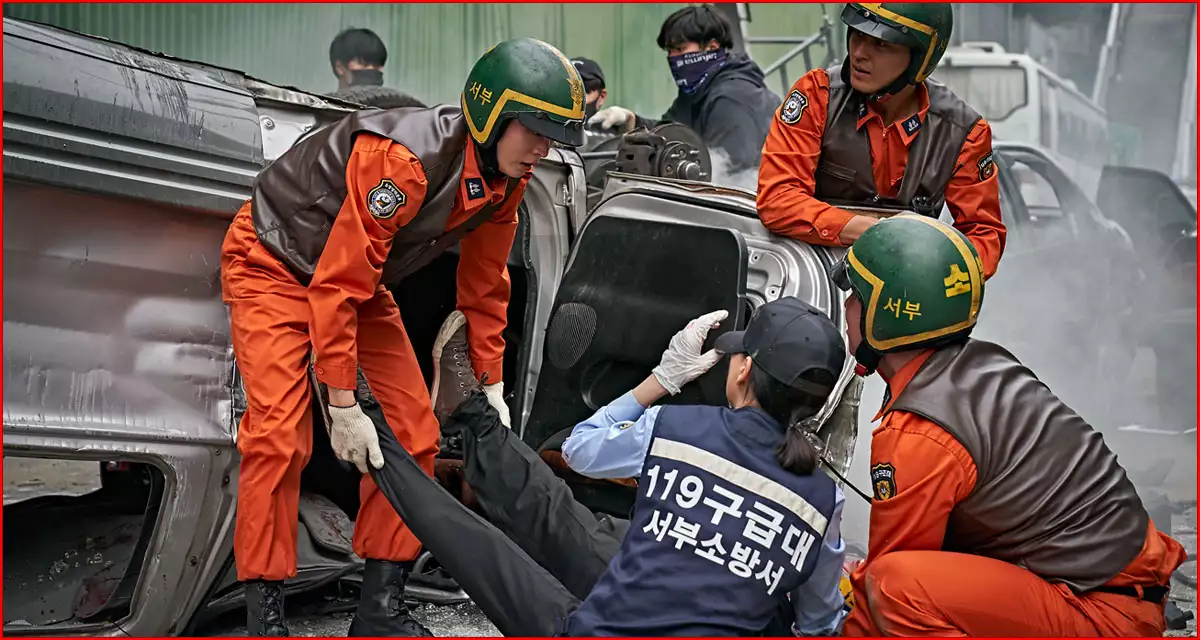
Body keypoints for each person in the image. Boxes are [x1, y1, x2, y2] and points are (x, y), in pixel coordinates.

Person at [220, 37, 586, 637]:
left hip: (359, 282)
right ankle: (266, 614)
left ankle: (379, 609)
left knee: (415, 435)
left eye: (554, 136)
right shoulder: (404, 162)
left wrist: (490, 381)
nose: (544, 148)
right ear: (492, 115)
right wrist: (342, 406)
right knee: (280, 438)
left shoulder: (507, 179)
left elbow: (486, 284)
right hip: (275, 263)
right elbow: (334, 288)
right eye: (536, 130)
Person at [357, 297, 852, 636]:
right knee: (590, 534)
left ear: (743, 368)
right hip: (653, 604)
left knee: (487, 543)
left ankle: (369, 416)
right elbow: (817, 624)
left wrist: (661, 380)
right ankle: (471, 417)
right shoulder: (824, 500)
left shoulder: (676, 429)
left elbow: (580, 449)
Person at [829, 214, 1188, 636]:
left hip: (1100, 613)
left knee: (892, 589)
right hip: (1109, 584)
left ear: (886, 316)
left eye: (856, 295)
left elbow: (889, 573)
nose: (848, 306)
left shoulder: (918, 432)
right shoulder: (981, 362)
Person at [757, 3, 1007, 280]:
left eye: (882, 44)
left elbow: (983, 236)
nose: (860, 53)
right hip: (810, 282)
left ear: (920, 57)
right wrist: (879, 233)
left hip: (908, 288)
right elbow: (778, 200)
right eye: (857, 34)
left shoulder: (964, 132)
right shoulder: (817, 95)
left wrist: (937, 276)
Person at [589, 4, 780, 173]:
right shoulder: (697, 91)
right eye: (670, 51)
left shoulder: (732, 98)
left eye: (680, 50)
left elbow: (729, 175)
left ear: (712, 48)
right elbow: (673, 132)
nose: (673, 58)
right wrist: (632, 122)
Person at [327, 27, 425, 107]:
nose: (371, 69)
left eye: (377, 65)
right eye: (363, 63)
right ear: (340, 68)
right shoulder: (323, 112)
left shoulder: (394, 110)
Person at [569, 56, 608, 124]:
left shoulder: (608, 132)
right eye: (568, 90)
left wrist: (630, 121)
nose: (573, 97)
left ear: (602, 97)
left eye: (584, 91)